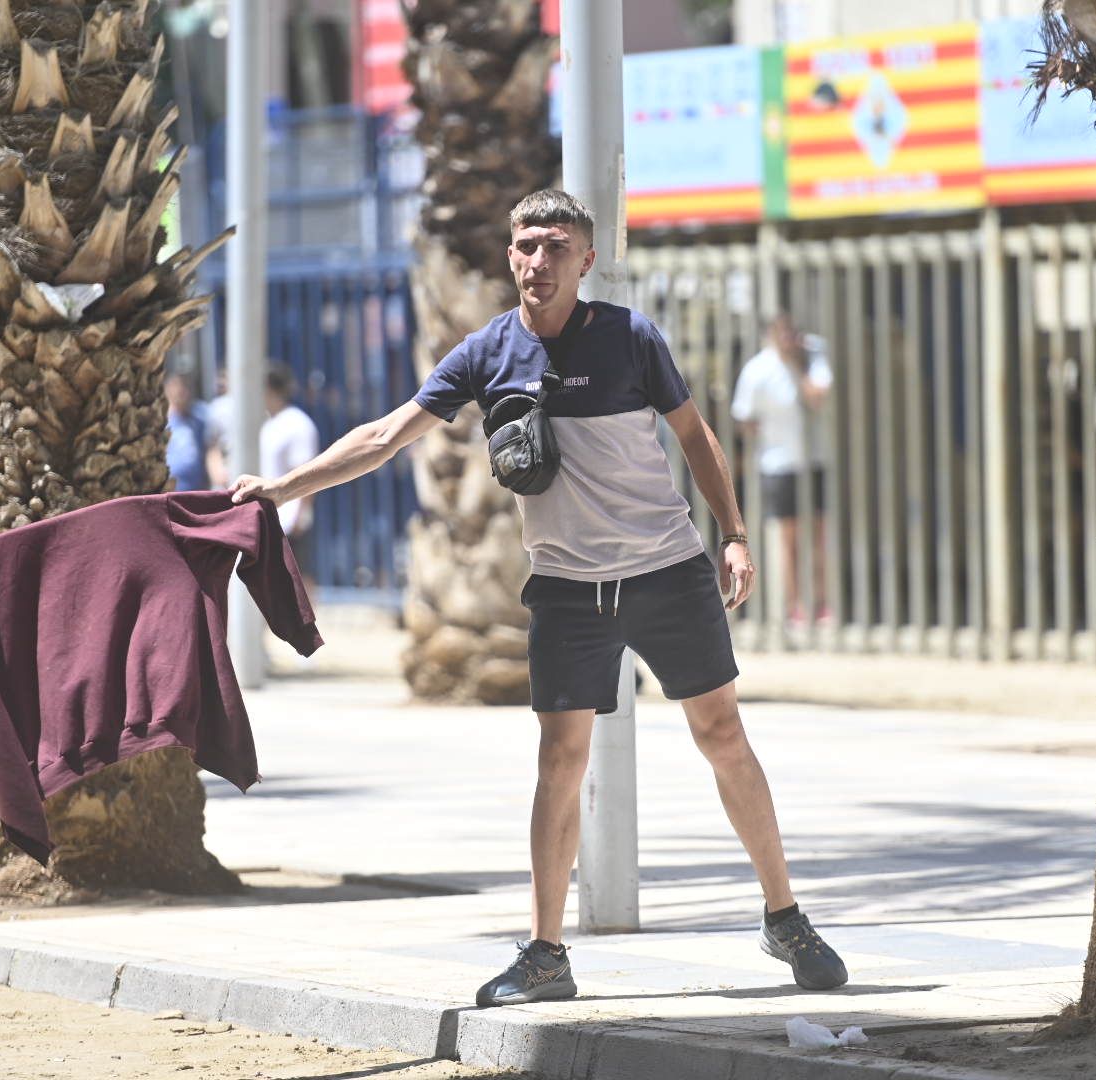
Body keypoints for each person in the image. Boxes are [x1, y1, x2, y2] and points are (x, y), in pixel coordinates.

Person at [231, 189, 847, 1007]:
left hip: (665, 569)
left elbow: (695, 436)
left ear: (586, 260)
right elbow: (384, 437)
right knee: (560, 761)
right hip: (564, 589)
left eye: (556, 246)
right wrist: (276, 490)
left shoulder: (631, 339)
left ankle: (785, 917)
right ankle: (547, 954)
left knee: (723, 735)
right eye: (525, 245)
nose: (537, 261)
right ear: (509, 256)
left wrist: (732, 533)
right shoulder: (487, 353)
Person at [731, 312, 832, 625]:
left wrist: (797, 366)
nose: (789, 339)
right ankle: (794, 607)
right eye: (783, 333)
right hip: (777, 463)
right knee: (788, 539)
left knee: (817, 535)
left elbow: (817, 396)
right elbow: (744, 417)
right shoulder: (758, 369)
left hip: (813, 459)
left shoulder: (814, 354)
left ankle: (822, 605)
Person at [258, 366, 319, 587]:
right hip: (272, 516)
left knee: (300, 577)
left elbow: (308, 473)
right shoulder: (269, 422)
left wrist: (301, 515)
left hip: (292, 517)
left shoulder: (298, 424)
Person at [163, 371, 222, 492]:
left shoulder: (200, 418)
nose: (181, 392)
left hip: (197, 489)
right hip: (170, 489)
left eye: (184, 387)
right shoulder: (162, 422)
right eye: (176, 387)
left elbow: (210, 447)